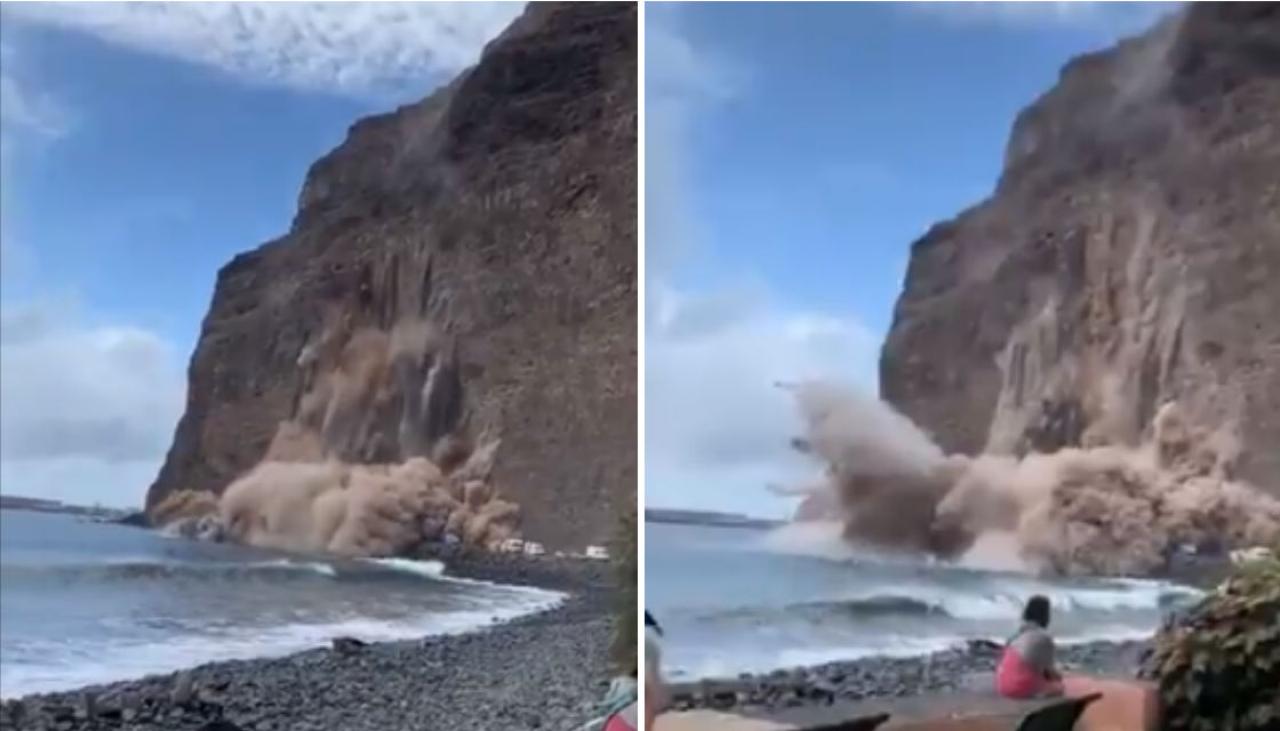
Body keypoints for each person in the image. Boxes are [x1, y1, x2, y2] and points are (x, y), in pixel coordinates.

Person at [996, 595, 1064, 699]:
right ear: (1045, 615)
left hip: (1003, 686)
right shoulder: (1043, 637)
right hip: (1019, 689)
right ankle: (1035, 693)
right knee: (1059, 687)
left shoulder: (1016, 635)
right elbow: (1051, 672)